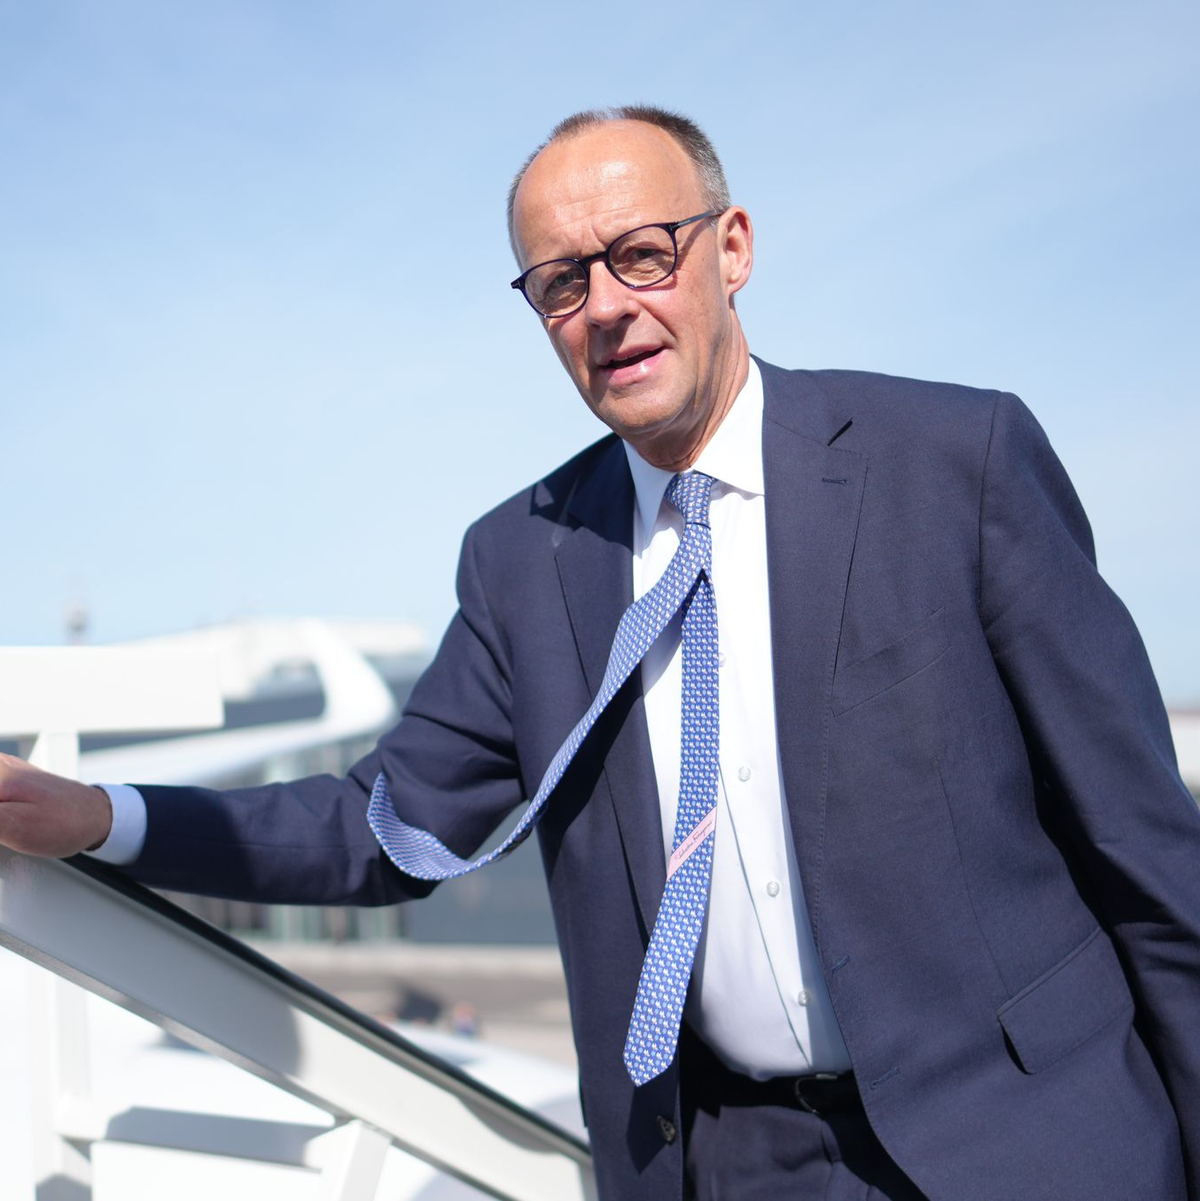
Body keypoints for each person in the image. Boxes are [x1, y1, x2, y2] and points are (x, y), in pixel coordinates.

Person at [1, 105, 1198, 1200]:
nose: (609, 306)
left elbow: (1148, 857)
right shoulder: (522, 560)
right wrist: (98, 814)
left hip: (1033, 1145)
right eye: (561, 282)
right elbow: (381, 829)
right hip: (737, 1167)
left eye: (643, 252)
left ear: (730, 249)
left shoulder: (955, 460)